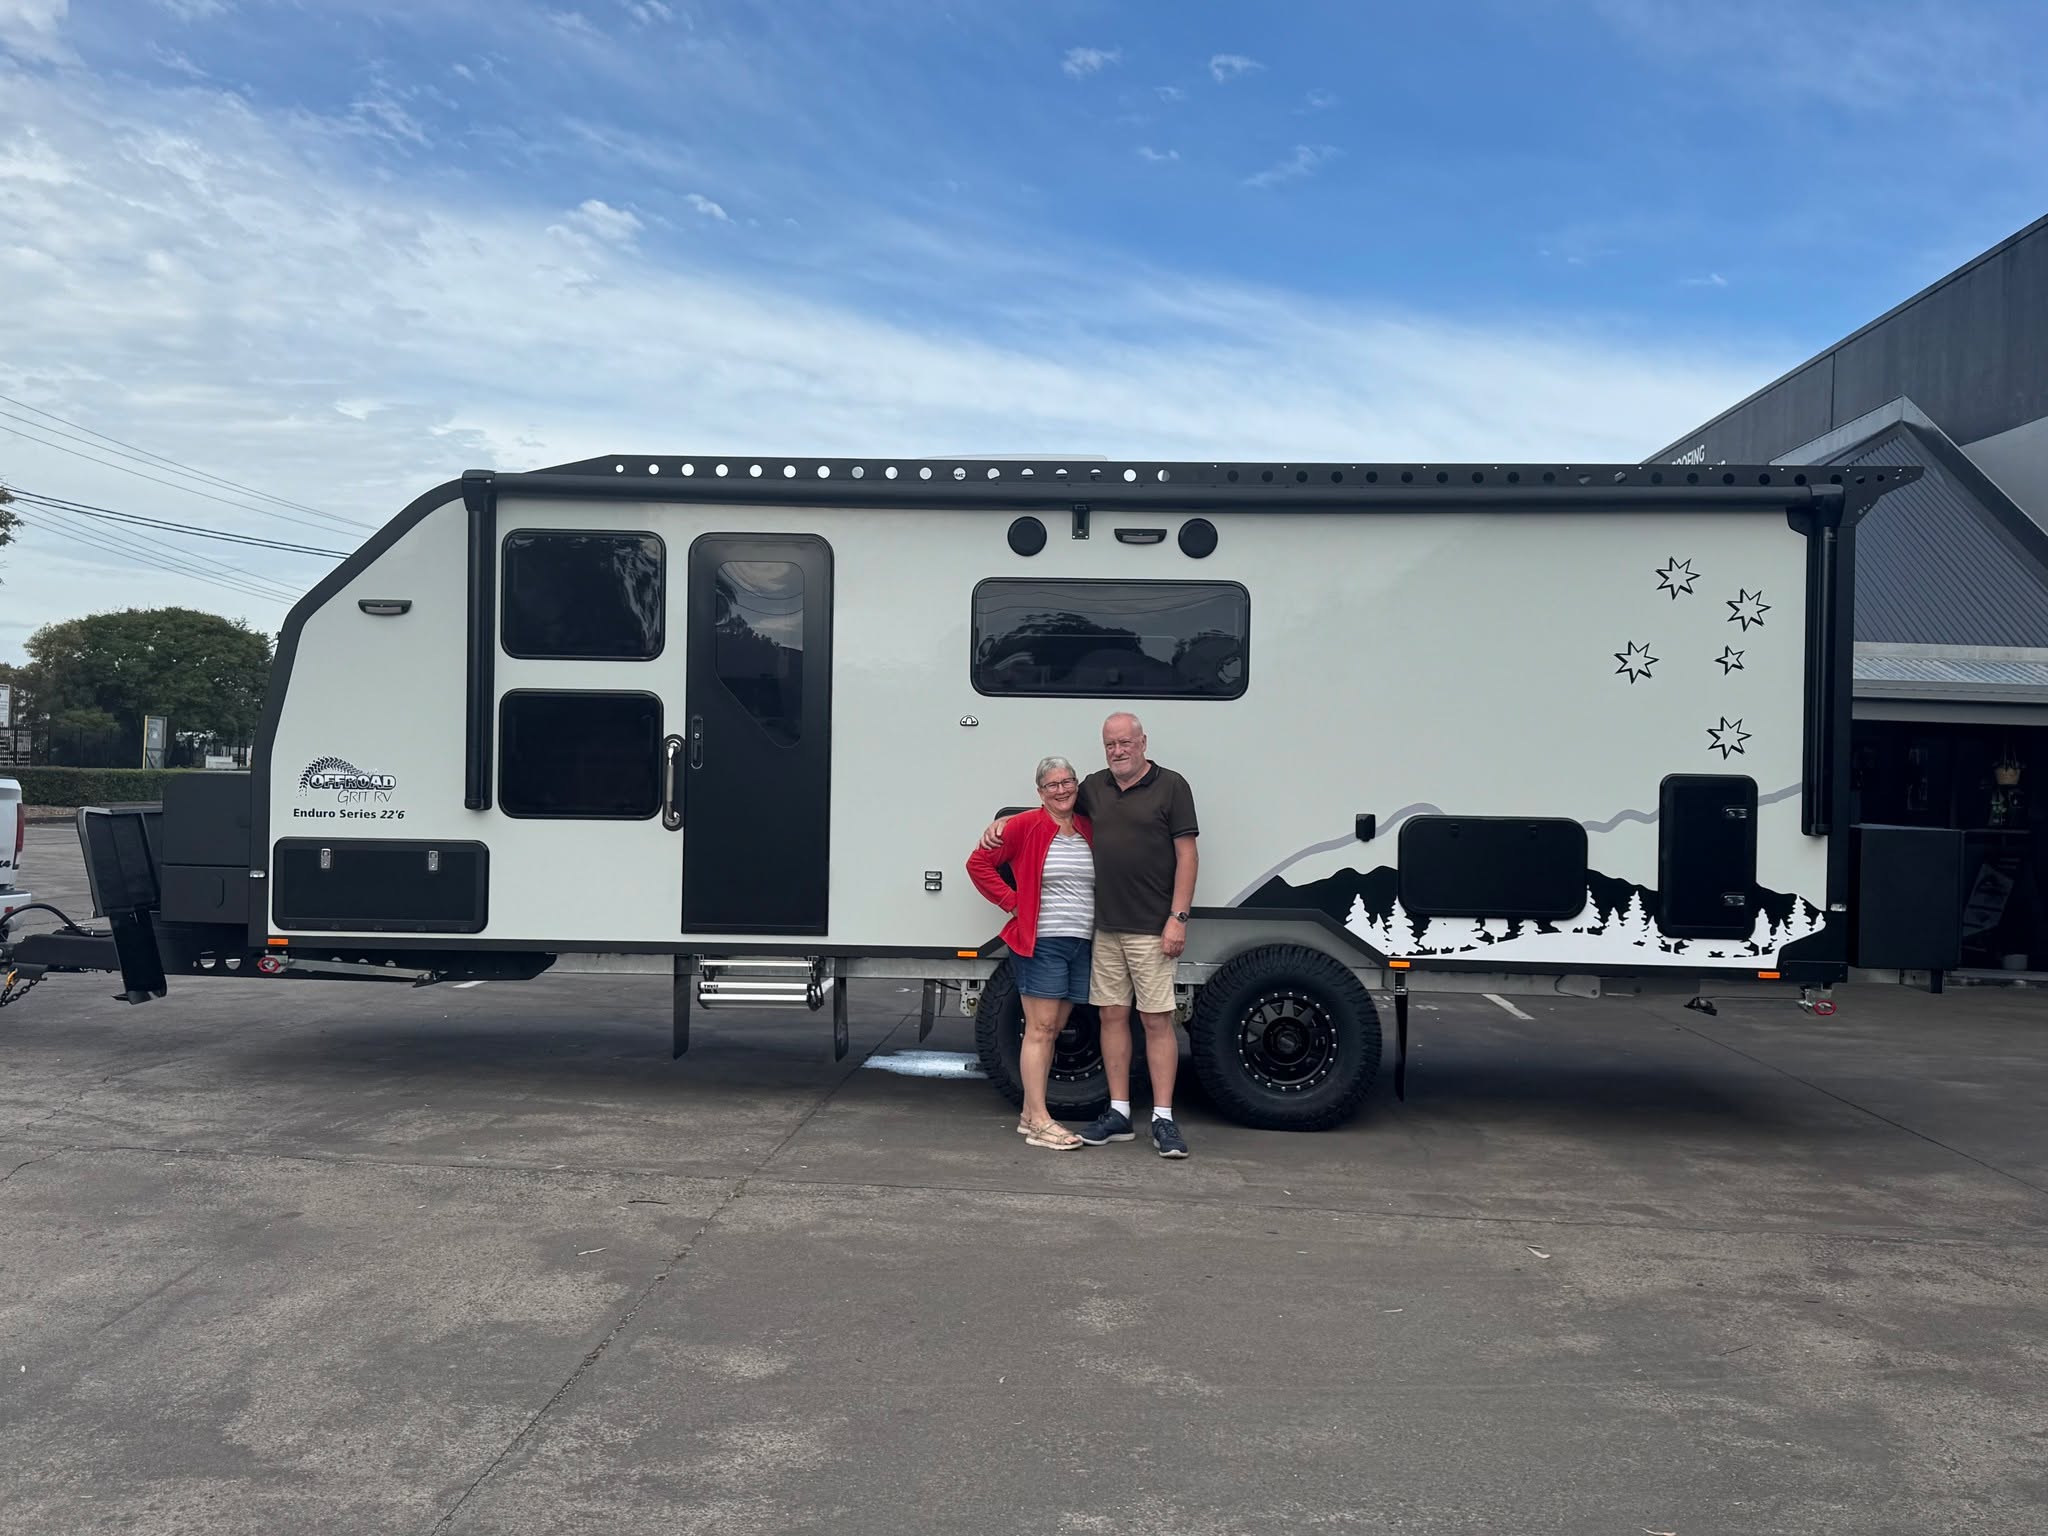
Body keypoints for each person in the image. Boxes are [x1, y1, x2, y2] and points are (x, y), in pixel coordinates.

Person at [983, 712, 1198, 1159]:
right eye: (1110, 744)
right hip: (1099, 933)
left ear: (1143, 742)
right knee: (1108, 1019)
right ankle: (1116, 1113)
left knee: (1156, 1020)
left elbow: (1187, 853)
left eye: (1125, 742)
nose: (1118, 750)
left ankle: (1163, 1118)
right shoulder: (1095, 789)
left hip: (1148, 929)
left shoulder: (1171, 786)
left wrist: (1178, 917)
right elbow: (1042, 819)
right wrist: (1002, 827)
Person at [965, 756, 1096, 1150]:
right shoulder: (1025, 826)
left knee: (1053, 1029)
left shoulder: (1088, 828)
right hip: (1041, 943)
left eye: (1067, 781)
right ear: (1040, 792)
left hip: (1080, 943)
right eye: (1052, 784)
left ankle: (1028, 1114)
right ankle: (1039, 1120)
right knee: (1039, 1030)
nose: (1061, 789)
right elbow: (978, 864)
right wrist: (1011, 901)